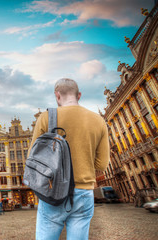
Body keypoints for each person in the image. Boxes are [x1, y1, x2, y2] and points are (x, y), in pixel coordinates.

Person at [31, 78, 109, 240]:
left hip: (53, 192)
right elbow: (102, 164)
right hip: (84, 192)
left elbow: (32, 157)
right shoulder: (98, 120)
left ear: (57, 95)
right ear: (79, 95)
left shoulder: (46, 117)